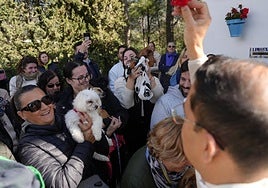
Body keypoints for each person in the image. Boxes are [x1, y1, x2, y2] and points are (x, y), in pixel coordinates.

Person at [173, 0, 268, 187]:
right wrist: (195, 49)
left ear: (208, 147)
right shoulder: (230, 164)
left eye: (184, 116)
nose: (180, 120)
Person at [13, 85, 107, 187]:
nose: (44, 107)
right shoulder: (29, 148)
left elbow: (104, 150)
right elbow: (61, 183)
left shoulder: (68, 118)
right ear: (22, 114)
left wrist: (94, 130)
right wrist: (86, 143)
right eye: (34, 106)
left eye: (46, 99)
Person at [56, 61, 129, 186]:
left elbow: (121, 112)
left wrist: (114, 124)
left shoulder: (102, 92)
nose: (85, 80)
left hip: (110, 155)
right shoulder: (63, 104)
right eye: (80, 78)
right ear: (69, 81)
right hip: (85, 162)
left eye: (87, 75)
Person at [114, 47, 163, 160]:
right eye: (125, 58)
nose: (128, 60)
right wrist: (131, 80)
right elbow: (126, 103)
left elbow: (159, 97)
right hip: (131, 128)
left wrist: (149, 77)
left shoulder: (150, 78)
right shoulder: (120, 82)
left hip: (150, 125)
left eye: (131, 57)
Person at [120, 116, 196, 188]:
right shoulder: (137, 182)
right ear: (165, 156)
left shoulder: (162, 149)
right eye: (183, 159)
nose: (190, 163)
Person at [150, 60, 190, 129]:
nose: (186, 85)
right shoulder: (164, 103)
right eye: (183, 79)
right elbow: (156, 135)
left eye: (191, 81)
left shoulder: (210, 103)